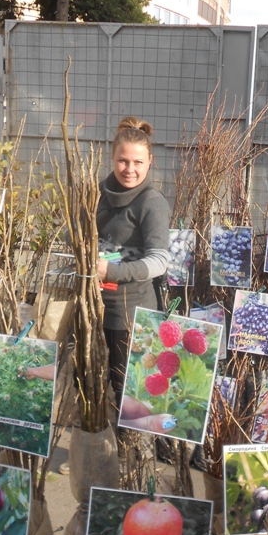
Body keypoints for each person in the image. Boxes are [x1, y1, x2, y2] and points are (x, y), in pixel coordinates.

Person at [97, 117, 171, 406]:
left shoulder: (151, 203)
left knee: (130, 397)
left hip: (133, 315)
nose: (130, 169)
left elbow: (159, 261)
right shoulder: (99, 194)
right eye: (123, 161)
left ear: (150, 161)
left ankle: (129, 451)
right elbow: (72, 230)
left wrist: (111, 269)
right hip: (96, 305)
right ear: (113, 159)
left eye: (138, 162)